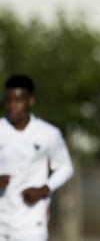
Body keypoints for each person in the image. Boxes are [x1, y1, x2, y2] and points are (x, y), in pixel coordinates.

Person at [0, 74, 73, 241]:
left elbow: (65, 168)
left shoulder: (48, 133)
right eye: (8, 100)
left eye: (18, 101)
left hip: (32, 222)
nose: (13, 106)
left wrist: (43, 189)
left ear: (30, 101)